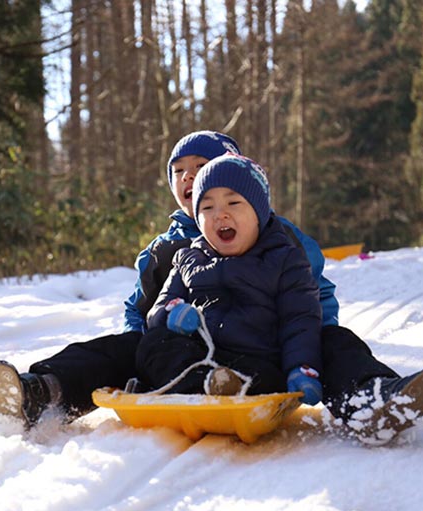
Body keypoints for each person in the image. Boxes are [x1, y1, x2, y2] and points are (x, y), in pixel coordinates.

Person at [0, 131, 423, 445]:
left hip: (268, 350)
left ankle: (374, 399)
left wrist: (305, 361)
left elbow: (307, 308)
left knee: (334, 343)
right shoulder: (176, 249)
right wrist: (161, 325)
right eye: (183, 174)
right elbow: (144, 307)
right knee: (116, 347)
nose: (192, 182)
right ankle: (42, 390)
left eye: (205, 171)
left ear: (257, 207)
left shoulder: (281, 245)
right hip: (186, 355)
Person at [135, 153, 324, 402]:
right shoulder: (188, 259)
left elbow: (299, 320)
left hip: (257, 361)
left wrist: (300, 367)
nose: (219, 215)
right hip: (201, 358)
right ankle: (203, 386)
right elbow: (156, 312)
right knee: (153, 343)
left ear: (259, 213)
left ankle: (215, 387)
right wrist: (171, 314)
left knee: (281, 368)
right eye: (207, 207)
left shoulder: (285, 260)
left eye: (233, 203)